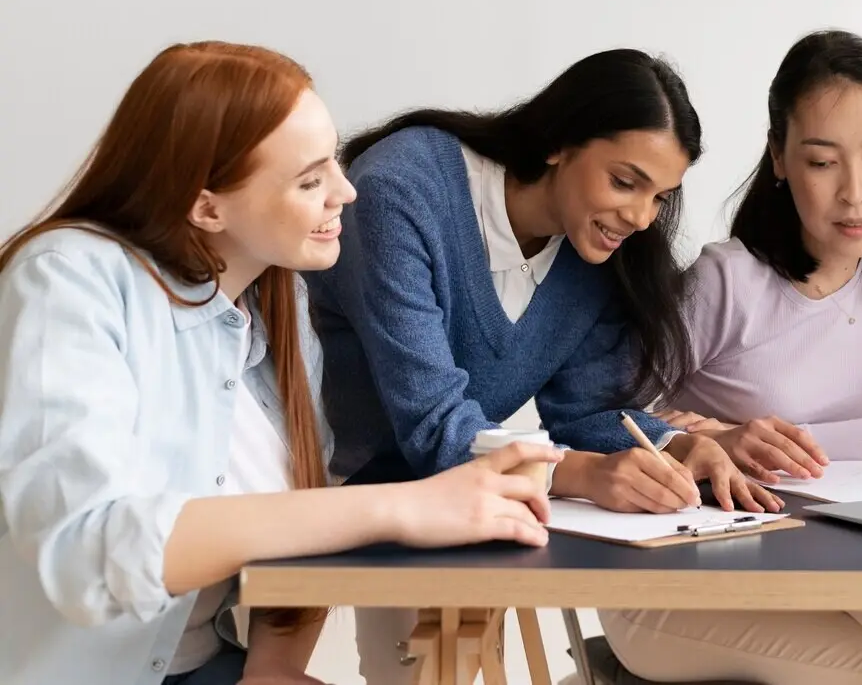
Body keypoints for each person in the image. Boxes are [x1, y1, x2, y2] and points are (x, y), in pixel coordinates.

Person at [0, 42, 563, 685]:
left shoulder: (277, 303)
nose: (347, 193)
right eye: (310, 179)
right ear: (207, 206)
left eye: (334, 165)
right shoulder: (67, 281)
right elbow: (91, 552)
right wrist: (403, 506)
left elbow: (302, 496)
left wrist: (273, 666)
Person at [303, 48, 770, 684]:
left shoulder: (596, 249)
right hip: (327, 487)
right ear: (558, 143)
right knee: (418, 669)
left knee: (444, 663)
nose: (639, 217)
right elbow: (434, 425)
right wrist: (585, 474)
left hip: (462, 512)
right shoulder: (401, 190)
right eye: (625, 181)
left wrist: (677, 446)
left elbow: (586, 410)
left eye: (661, 195)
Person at [599, 31, 862, 685]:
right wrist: (695, 441)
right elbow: (596, 417)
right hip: (671, 583)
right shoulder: (726, 281)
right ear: (779, 158)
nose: (857, 193)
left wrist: (778, 449)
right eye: (822, 162)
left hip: (817, 556)